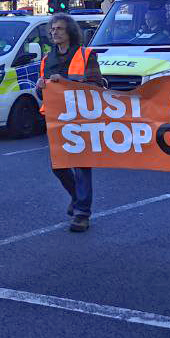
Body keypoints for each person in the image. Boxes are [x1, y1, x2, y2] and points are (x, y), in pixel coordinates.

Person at [35, 13, 102, 232]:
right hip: (56, 118)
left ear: (70, 32)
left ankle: (82, 212)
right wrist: (40, 86)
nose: (54, 32)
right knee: (58, 166)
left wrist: (66, 82)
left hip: (81, 117)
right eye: (52, 29)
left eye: (59, 29)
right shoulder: (47, 59)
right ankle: (76, 196)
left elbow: (96, 86)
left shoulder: (86, 55)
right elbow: (41, 91)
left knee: (81, 165)